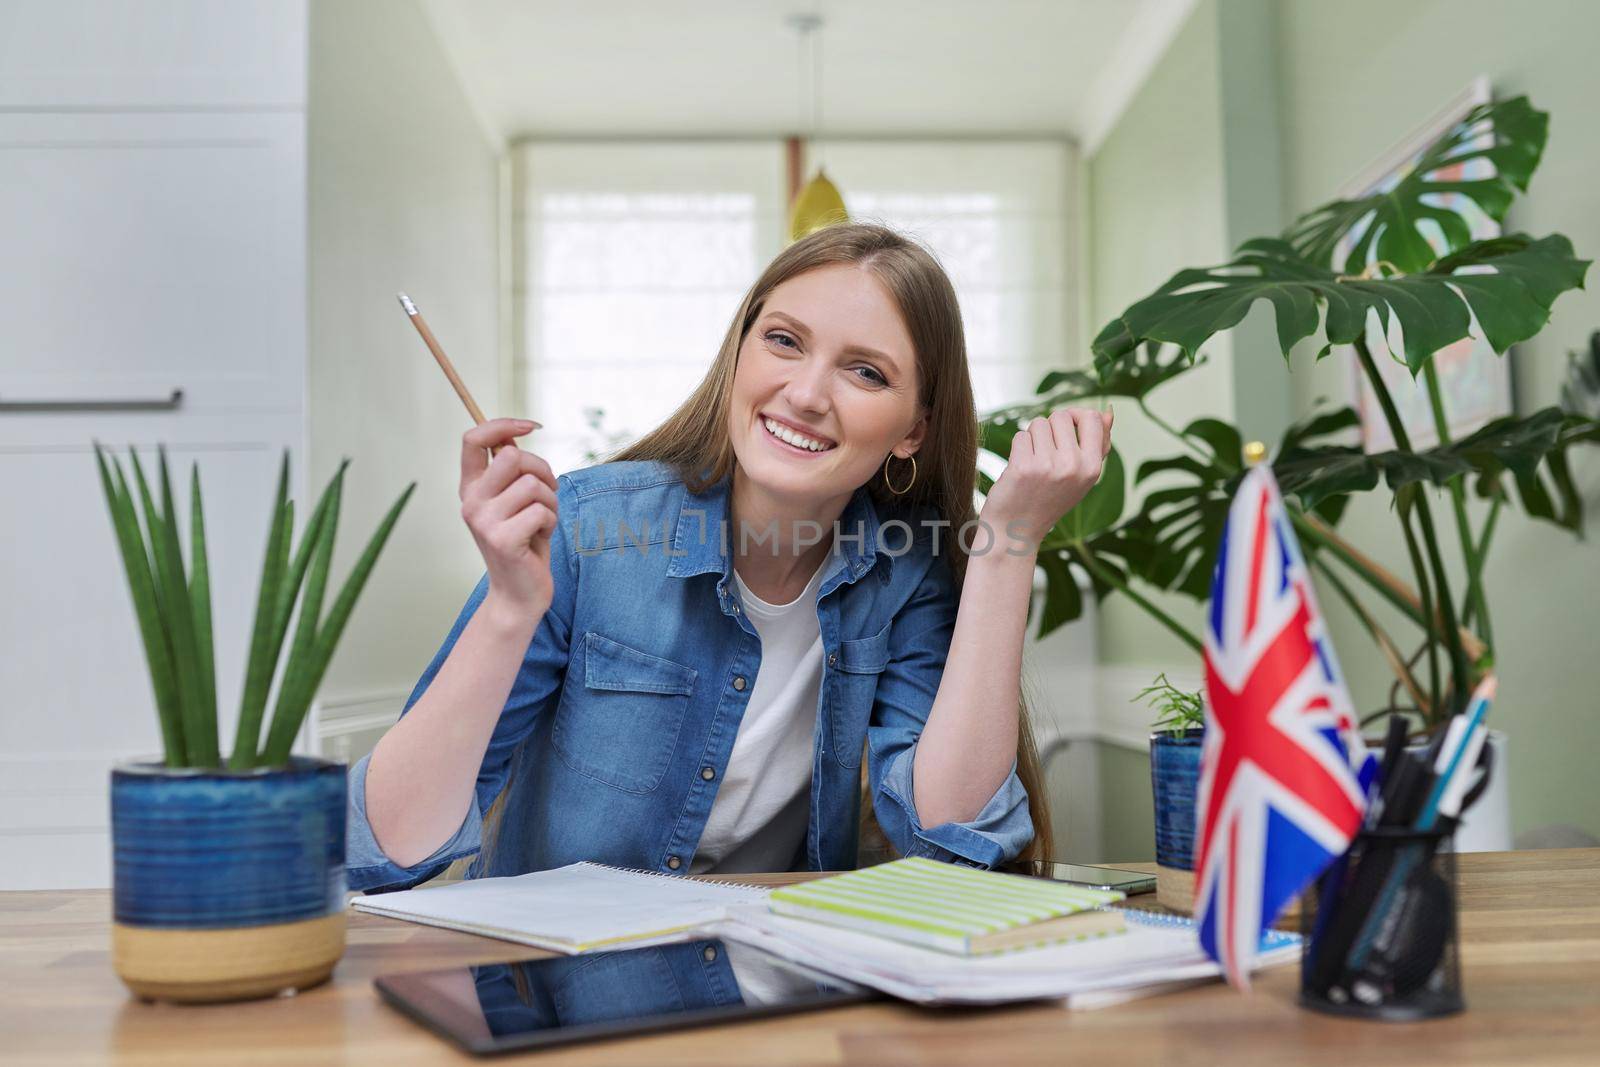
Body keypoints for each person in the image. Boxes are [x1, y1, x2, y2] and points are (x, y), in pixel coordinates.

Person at [346, 222, 1114, 899]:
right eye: (784, 341)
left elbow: (952, 843)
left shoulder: (904, 570)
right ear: (739, 351)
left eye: (865, 371)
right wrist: (511, 609)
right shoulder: (587, 529)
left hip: (774, 994)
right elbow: (388, 849)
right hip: (556, 1008)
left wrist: (1008, 546)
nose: (805, 393)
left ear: (914, 429)